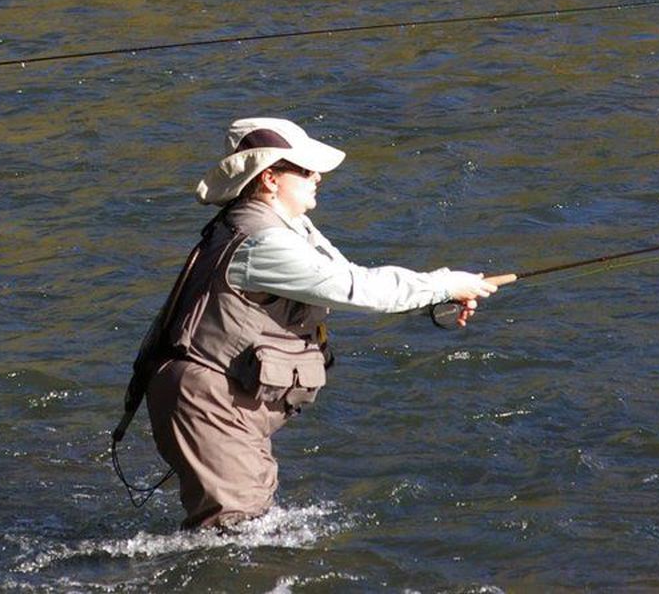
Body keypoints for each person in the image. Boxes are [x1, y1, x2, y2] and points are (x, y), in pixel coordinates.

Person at [120, 117, 506, 529]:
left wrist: (441, 293)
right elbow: (354, 286)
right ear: (270, 179)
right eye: (305, 170)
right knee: (235, 533)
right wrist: (445, 283)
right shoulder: (263, 242)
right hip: (209, 401)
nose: (318, 176)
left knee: (246, 525)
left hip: (224, 397)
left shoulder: (288, 224)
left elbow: (345, 279)